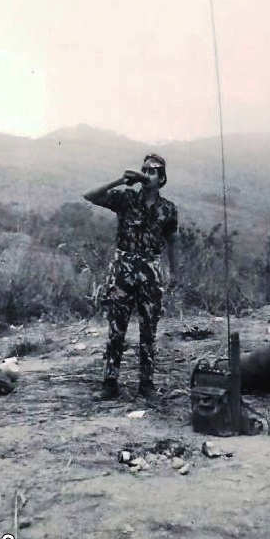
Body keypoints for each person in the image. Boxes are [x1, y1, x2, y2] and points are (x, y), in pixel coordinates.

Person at [83, 154, 178, 400]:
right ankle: (110, 383)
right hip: (123, 268)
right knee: (117, 328)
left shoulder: (168, 209)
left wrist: (174, 271)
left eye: (153, 171)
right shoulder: (126, 199)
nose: (147, 174)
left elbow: (171, 241)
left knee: (149, 330)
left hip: (150, 270)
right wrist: (120, 180)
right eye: (144, 169)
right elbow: (89, 195)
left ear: (162, 178)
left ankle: (146, 384)